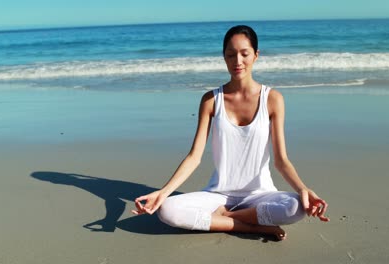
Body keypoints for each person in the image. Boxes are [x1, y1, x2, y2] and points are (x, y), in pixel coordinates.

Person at [133, 25, 329, 241]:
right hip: (218, 195)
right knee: (167, 210)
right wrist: (163, 192)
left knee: (297, 207)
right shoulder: (211, 100)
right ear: (224, 57)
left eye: (244, 54)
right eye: (230, 55)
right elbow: (194, 157)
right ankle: (254, 227)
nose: (237, 61)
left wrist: (303, 188)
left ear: (256, 55)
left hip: (260, 194)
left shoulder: (272, 99)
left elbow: (281, 161)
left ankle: (227, 218)